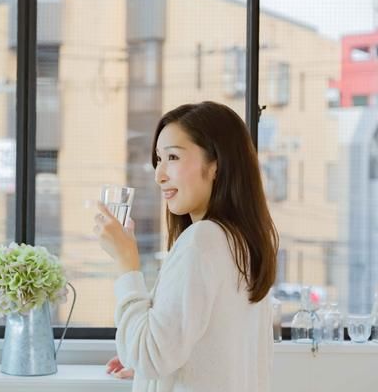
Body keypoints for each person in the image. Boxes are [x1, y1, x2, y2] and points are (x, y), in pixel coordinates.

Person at [93, 101, 278, 392]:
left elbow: (150, 356)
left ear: (215, 165)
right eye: (158, 159)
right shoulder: (242, 243)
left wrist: (126, 264)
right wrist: (146, 365)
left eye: (173, 157)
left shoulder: (202, 241)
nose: (159, 174)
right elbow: (211, 350)